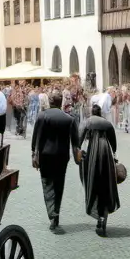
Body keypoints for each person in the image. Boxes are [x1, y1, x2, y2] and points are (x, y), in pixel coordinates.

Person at [31, 94, 80, 230]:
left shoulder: (42, 116)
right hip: (62, 156)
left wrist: (33, 154)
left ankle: (52, 212)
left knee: (47, 184)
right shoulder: (70, 119)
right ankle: (56, 216)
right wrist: (78, 158)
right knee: (59, 185)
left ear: (50, 102)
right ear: (61, 102)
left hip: (46, 155)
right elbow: (76, 142)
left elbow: (35, 137)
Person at [79, 105, 121, 237]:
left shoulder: (87, 121)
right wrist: (114, 158)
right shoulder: (107, 123)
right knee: (105, 186)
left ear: (92, 112)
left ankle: (99, 218)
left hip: (93, 155)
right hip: (106, 154)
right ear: (100, 113)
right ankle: (103, 218)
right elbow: (113, 144)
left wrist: (78, 155)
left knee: (94, 185)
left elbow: (79, 139)